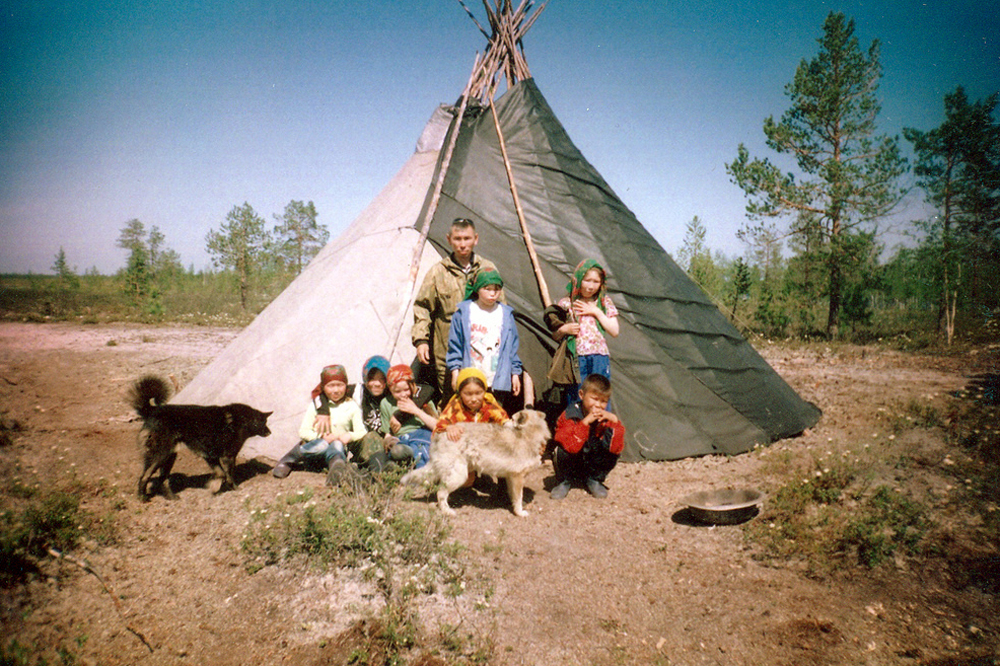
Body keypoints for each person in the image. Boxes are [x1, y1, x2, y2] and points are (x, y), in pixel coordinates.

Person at [412, 218, 500, 405]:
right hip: (447, 349)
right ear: (449, 239)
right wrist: (421, 340)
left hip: (483, 349)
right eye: (457, 239)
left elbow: (502, 309)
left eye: (466, 238)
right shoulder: (438, 272)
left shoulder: (487, 268)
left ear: (475, 239)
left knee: (483, 400)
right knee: (452, 399)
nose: (462, 244)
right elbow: (422, 307)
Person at [272, 364, 366, 485]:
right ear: (323, 387)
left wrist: (349, 436)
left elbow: (361, 431)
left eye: (340, 385)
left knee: (337, 444)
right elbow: (303, 432)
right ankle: (287, 461)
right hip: (314, 452)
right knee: (322, 445)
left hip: (336, 451)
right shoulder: (316, 406)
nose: (336, 390)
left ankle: (336, 470)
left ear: (346, 385)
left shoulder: (351, 406)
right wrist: (322, 437)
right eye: (331, 386)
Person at [445, 268, 523, 416]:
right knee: (469, 418)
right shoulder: (464, 313)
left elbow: (512, 348)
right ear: (477, 289)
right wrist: (455, 373)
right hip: (471, 376)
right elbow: (455, 345)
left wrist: (515, 374)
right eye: (487, 289)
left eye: (497, 289)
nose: (492, 294)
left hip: (496, 379)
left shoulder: (505, 314)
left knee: (494, 418)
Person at [552, 259, 619, 404]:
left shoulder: (603, 302)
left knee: (599, 397)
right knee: (577, 396)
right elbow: (555, 335)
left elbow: (614, 331)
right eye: (587, 280)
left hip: (599, 357)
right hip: (576, 358)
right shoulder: (566, 303)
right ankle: (577, 426)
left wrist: (596, 312)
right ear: (579, 280)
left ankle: (599, 427)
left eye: (596, 281)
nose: (591, 286)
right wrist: (565, 329)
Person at [434, 366, 512, 489]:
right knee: (466, 480)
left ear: (484, 391)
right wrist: (449, 428)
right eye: (468, 394)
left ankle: (504, 494)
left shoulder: (489, 403)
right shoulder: (455, 406)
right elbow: (440, 426)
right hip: (463, 452)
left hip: (483, 449)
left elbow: (504, 420)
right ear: (460, 393)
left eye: (478, 393)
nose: (474, 399)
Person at [550, 373, 625, 500]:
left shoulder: (605, 418)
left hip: (590, 461)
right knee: (560, 450)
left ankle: (594, 479)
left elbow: (615, 448)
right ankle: (564, 482)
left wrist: (614, 421)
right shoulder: (570, 415)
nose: (598, 405)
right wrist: (585, 423)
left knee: (612, 449)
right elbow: (570, 447)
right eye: (595, 399)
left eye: (603, 401)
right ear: (581, 395)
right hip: (572, 460)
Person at [380, 364, 439, 469]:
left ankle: (420, 472)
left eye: (406, 389)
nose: (403, 394)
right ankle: (399, 465)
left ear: (412, 386)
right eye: (397, 391)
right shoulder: (386, 403)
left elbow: (437, 426)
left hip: (422, 437)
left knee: (421, 452)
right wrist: (389, 441)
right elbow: (387, 434)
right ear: (390, 390)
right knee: (397, 451)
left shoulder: (422, 400)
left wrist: (416, 410)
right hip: (401, 440)